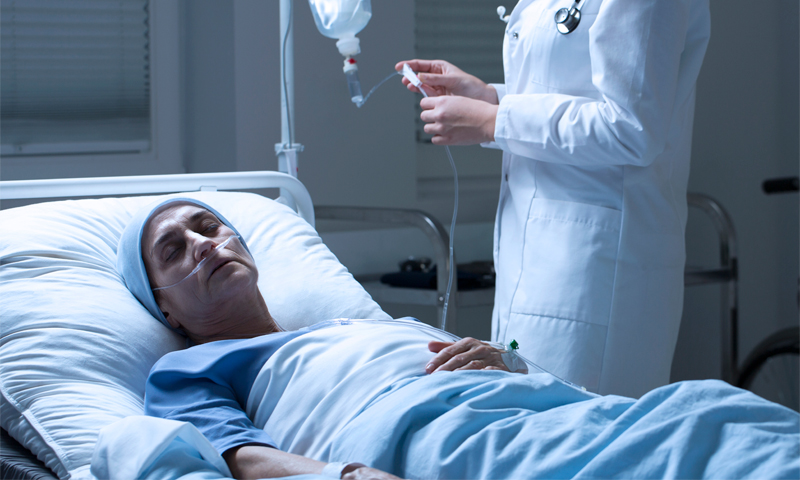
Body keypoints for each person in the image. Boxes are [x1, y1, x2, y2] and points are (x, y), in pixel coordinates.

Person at [115, 196, 797, 480]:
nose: (202, 246)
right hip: (421, 437)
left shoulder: (356, 326)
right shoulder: (190, 369)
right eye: (173, 252)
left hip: (531, 408)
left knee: (705, 409)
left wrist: (507, 362)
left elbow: (503, 371)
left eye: (207, 227)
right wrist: (346, 478)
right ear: (165, 309)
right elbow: (242, 460)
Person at [396, 0, 726, 398]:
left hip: (596, 277)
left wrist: (493, 123)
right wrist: (489, 97)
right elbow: (576, 94)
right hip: (555, 264)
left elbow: (630, 128)